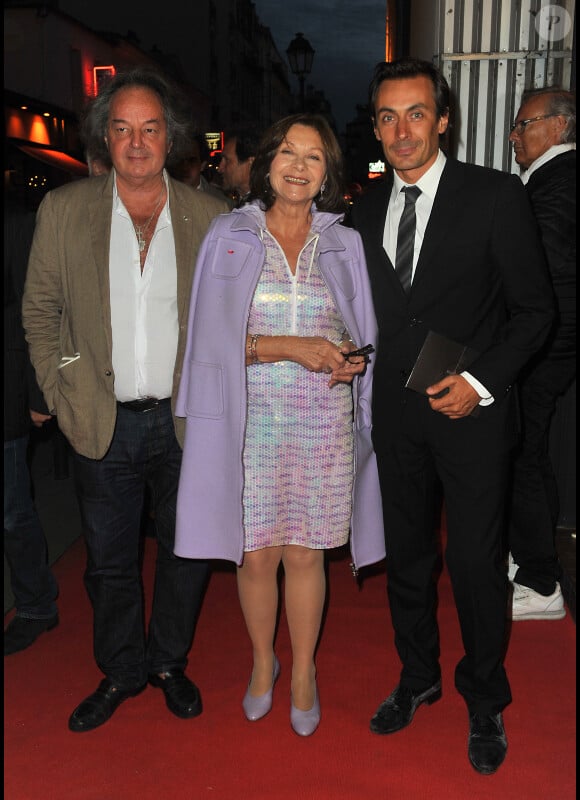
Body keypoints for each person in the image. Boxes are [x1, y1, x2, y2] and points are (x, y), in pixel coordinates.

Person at [351, 58, 555, 775]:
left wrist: (478, 380)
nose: (400, 131)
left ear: (443, 120)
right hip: (395, 417)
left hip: (472, 413)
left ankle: (484, 697)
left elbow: (537, 313)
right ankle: (418, 678)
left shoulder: (496, 196)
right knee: (407, 558)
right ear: (374, 125)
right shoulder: (363, 210)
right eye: (385, 116)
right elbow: (369, 313)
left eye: (414, 114)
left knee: (473, 564)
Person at [22, 66, 231, 733]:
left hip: (184, 422)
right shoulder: (65, 209)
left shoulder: (211, 217)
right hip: (100, 421)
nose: (137, 142)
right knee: (109, 563)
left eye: (150, 129)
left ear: (170, 139)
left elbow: (230, 322)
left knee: (185, 550)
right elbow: (40, 309)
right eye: (122, 129)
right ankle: (120, 669)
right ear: (104, 137)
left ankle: (168, 660)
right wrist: (60, 388)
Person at [173, 112, 385, 737]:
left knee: (305, 553)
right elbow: (207, 343)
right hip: (250, 418)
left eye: (313, 156)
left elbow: (361, 332)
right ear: (267, 163)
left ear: (327, 173)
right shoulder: (229, 234)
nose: (298, 165)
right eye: (287, 151)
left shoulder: (344, 241)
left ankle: (304, 675)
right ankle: (264, 665)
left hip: (322, 419)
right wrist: (290, 347)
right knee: (256, 553)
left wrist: (351, 362)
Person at [507, 88, 576, 620]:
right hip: (547, 338)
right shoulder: (550, 179)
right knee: (523, 451)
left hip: (544, 341)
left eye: (522, 124)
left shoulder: (562, 178)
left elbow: (543, 265)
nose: (514, 135)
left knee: (523, 454)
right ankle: (525, 557)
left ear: (557, 126)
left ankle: (540, 582)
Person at [4, 193, 59, 657]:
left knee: (11, 510)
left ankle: (36, 605)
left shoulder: (17, 223)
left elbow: (34, 310)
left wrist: (40, 392)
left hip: (6, 388)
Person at [170, 132, 234, 206]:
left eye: (192, 160)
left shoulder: (221, 202)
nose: (185, 166)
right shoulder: (165, 196)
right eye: (180, 160)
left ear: (202, 165)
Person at [217, 125, 262, 205]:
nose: (220, 168)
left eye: (227, 160)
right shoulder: (228, 203)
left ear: (251, 162)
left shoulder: (269, 209)